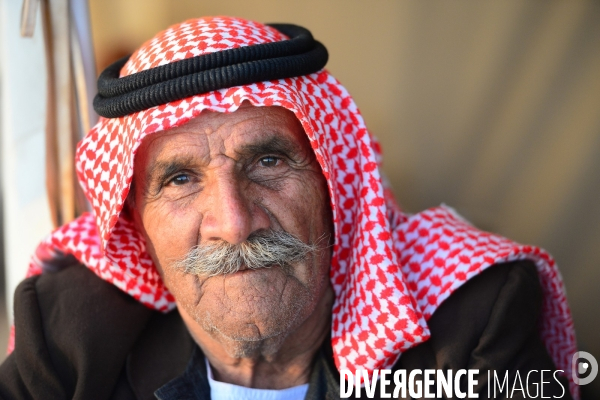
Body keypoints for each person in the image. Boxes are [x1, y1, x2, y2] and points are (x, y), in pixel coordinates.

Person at [0, 17, 577, 400]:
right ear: (136, 226)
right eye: (179, 179)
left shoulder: (474, 322)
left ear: (335, 186)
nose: (234, 220)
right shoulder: (65, 337)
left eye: (269, 163)